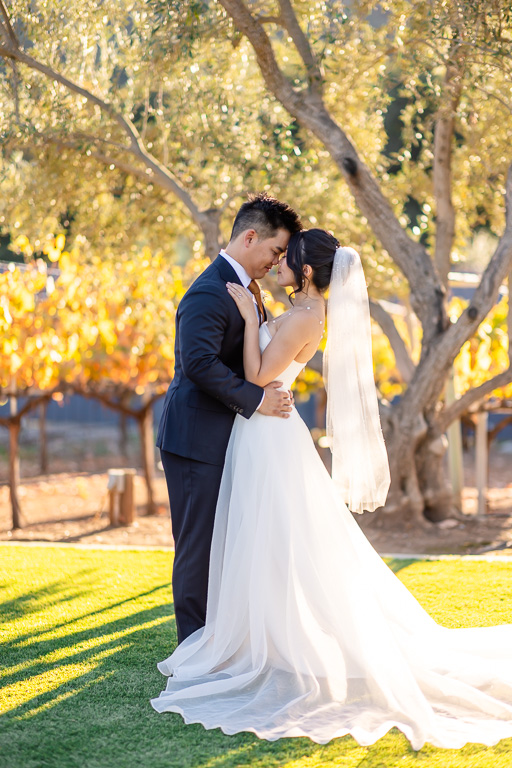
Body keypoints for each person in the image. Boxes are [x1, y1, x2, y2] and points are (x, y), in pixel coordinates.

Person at [152, 229, 512, 750]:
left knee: (275, 541)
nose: (278, 264)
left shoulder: (303, 316)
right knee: (266, 542)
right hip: (262, 430)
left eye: (287, 260)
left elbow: (256, 373)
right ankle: (251, 636)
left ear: (309, 273)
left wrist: (253, 322)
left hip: (266, 435)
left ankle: (256, 644)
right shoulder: (304, 311)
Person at [156, 193, 302, 644]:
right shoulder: (208, 290)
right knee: (198, 549)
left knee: (227, 545)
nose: (277, 261)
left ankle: (220, 642)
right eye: (275, 250)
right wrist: (257, 400)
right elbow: (198, 364)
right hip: (196, 440)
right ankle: (192, 650)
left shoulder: (247, 290)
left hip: (228, 438)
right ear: (250, 236)